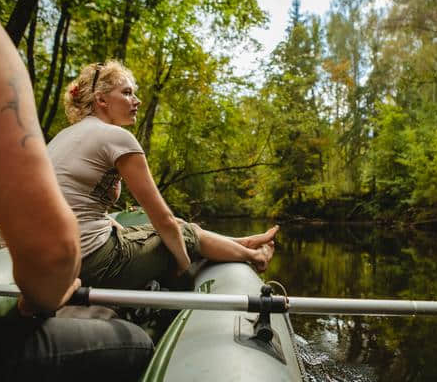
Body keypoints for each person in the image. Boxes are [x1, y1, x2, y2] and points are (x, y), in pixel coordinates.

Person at [0, 0, 153, 382]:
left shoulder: (70, 136)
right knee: (134, 341)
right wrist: (44, 299)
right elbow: (52, 252)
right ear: (100, 100)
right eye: (127, 92)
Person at [48, 60, 278, 291]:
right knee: (183, 232)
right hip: (90, 261)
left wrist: (113, 223)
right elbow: (162, 218)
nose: (136, 101)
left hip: (51, 261)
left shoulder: (61, 137)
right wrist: (183, 262)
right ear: (101, 100)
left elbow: (71, 202)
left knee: (179, 226)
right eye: (127, 93)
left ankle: (244, 244)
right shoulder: (115, 137)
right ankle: (255, 257)